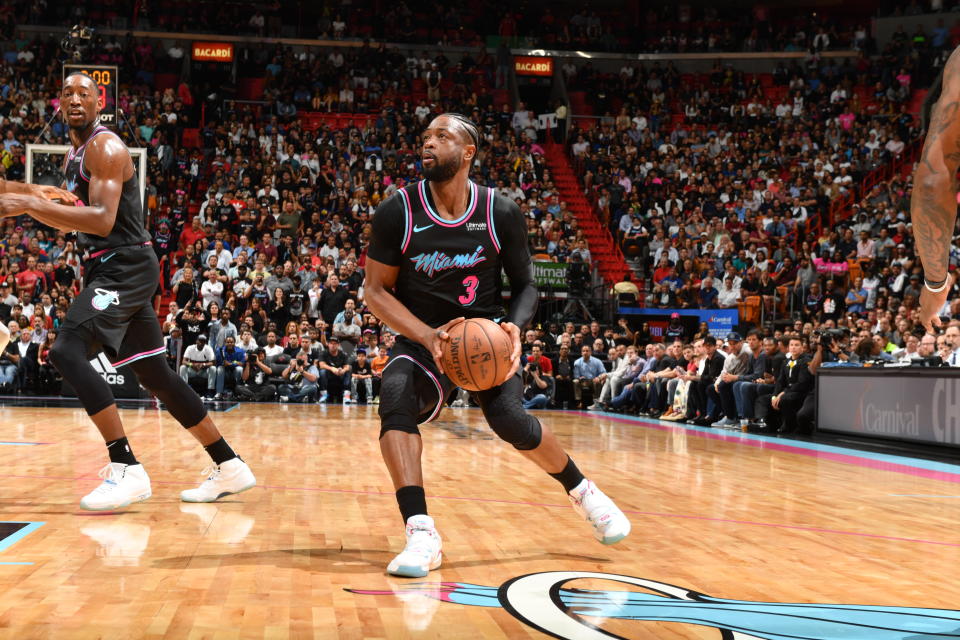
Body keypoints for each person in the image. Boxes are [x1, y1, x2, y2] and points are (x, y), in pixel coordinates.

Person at [364, 113, 630, 579]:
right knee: (395, 398)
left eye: (441, 137)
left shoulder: (499, 211)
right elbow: (375, 292)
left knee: (509, 420)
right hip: (425, 338)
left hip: (485, 338)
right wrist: (427, 335)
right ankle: (421, 532)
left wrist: (515, 328)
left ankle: (583, 491)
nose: (428, 143)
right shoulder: (398, 211)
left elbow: (527, 284)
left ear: (468, 152)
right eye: (425, 136)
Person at [0, 72, 254, 510]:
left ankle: (126, 468)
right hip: (113, 266)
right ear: (59, 105)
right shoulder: (75, 156)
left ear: (101, 103)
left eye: (85, 93)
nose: (75, 99)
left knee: (65, 351)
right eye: (68, 93)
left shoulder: (105, 146)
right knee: (155, 375)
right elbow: (71, 208)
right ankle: (229, 464)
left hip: (123, 266)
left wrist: (29, 205)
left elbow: (100, 219)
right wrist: (28, 193)